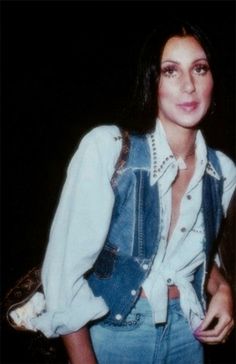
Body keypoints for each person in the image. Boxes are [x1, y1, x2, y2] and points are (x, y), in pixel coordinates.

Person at [11, 19, 236, 364]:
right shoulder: (109, 149)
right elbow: (63, 272)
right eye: (170, 71)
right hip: (114, 331)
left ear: (213, 79)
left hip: (187, 332)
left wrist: (221, 288)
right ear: (152, 81)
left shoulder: (222, 170)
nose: (189, 86)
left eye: (200, 69)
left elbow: (196, 255)